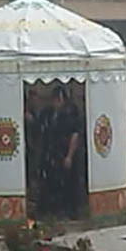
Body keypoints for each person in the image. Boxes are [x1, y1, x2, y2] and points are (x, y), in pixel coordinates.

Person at [44, 84, 84, 218]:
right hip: (55, 154)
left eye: (57, 100)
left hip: (66, 153)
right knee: (56, 183)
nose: (55, 103)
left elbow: (75, 134)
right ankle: (57, 210)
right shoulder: (51, 114)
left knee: (70, 184)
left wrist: (69, 156)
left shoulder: (70, 113)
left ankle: (72, 211)